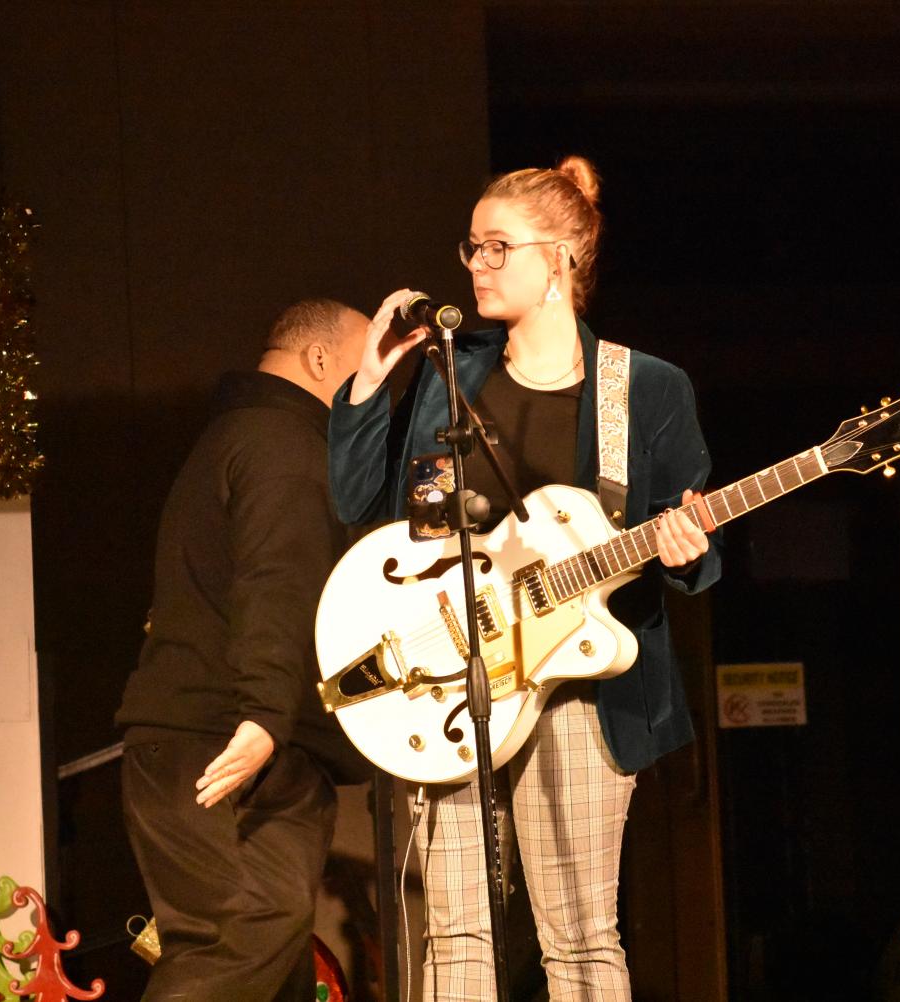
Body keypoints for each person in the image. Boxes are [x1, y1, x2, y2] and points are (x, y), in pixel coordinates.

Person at [329, 157, 721, 1000]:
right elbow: (359, 498)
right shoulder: (450, 371)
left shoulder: (642, 389)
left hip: (584, 681)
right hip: (456, 678)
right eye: (471, 246)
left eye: (498, 246)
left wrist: (689, 547)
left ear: (561, 261)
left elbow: (694, 544)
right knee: (457, 932)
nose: (477, 263)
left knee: (579, 937)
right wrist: (370, 378)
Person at [115, 298, 369, 1002]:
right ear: (319, 361)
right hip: (223, 743)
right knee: (248, 929)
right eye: (362, 369)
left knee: (276, 963)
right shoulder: (282, 444)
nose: (372, 392)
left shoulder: (235, 436)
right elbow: (273, 584)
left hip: (222, 740)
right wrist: (261, 716)